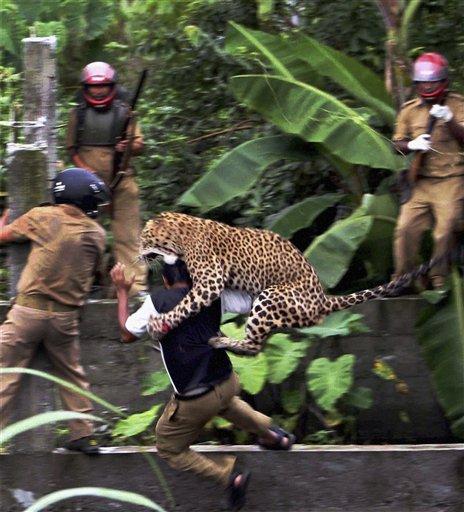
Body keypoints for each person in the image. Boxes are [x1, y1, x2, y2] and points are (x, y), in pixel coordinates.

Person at [110, 260, 294, 511]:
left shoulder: (158, 302)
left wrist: (121, 290)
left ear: (165, 280)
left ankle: (231, 478)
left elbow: (126, 334)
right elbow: (251, 301)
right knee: (225, 403)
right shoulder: (212, 293)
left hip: (196, 398)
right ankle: (273, 435)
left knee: (168, 446)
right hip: (227, 381)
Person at [0, 168, 109, 454]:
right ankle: (82, 433)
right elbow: (97, 273)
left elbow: (4, 235)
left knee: (5, 373)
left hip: (27, 313)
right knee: (71, 374)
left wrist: (6, 216)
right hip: (65, 319)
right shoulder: (97, 234)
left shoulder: (42, 216)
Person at [65, 61, 147, 296]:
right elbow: (72, 149)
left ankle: (135, 287)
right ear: (86, 88)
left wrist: (128, 144)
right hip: (87, 187)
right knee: (85, 236)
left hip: (122, 181)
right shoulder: (77, 114)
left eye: (103, 87)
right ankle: (88, 284)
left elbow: (140, 144)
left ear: (111, 86)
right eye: (93, 87)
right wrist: (85, 171)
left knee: (128, 236)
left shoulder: (125, 112)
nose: (98, 91)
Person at [392, 52, 464, 290]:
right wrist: (411, 145)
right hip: (420, 181)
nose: (427, 86)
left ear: (443, 81)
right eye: (422, 82)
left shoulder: (457, 104)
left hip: (450, 179)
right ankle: (402, 278)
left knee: (445, 230)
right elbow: (396, 146)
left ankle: (438, 277)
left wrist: (450, 119)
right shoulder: (409, 110)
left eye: (432, 82)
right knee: (405, 229)